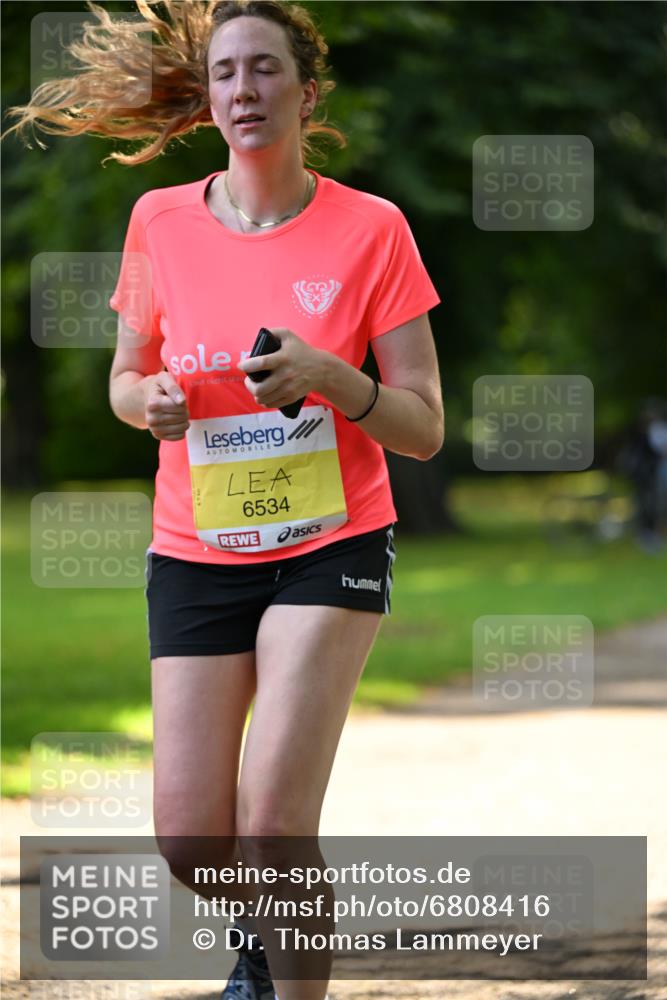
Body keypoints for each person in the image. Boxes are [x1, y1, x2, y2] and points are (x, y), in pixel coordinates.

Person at [4, 2, 443, 997]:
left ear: (306, 91)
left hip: (330, 541)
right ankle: (268, 935)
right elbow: (127, 378)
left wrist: (331, 376)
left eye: (264, 70)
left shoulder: (373, 229)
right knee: (194, 837)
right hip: (196, 547)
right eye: (225, 74)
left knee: (274, 826)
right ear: (207, 99)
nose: (244, 89)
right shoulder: (159, 219)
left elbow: (422, 425)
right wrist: (146, 401)